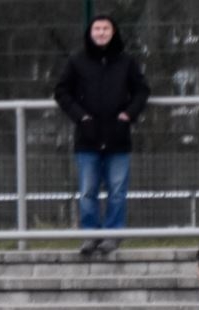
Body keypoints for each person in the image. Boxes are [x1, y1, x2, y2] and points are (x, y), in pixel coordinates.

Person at [54, 14, 150, 257]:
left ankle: (113, 235)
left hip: (118, 138)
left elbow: (141, 91)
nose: (101, 33)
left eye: (106, 28)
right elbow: (62, 92)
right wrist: (81, 117)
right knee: (88, 191)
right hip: (87, 138)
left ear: (113, 32)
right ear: (90, 33)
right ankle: (90, 235)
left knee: (117, 191)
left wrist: (128, 115)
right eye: (97, 28)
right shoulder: (76, 61)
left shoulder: (127, 62)